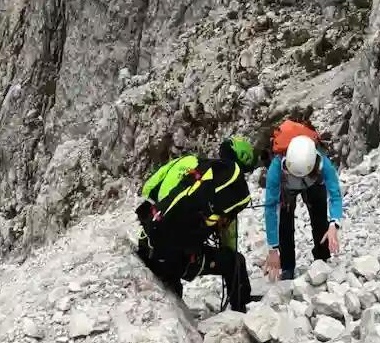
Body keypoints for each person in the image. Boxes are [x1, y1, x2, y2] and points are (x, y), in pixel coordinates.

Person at [136, 136, 255, 311]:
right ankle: (241, 309)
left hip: (149, 237)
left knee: (173, 283)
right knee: (235, 261)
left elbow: (149, 189)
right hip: (173, 251)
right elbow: (228, 235)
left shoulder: (192, 164)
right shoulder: (219, 187)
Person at [262, 120, 344, 281]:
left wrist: (334, 223)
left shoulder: (323, 163)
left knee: (320, 218)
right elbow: (270, 208)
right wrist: (273, 248)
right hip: (288, 188)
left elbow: (335, 194)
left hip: (313, 183)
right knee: (284, 223)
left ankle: (322, 258)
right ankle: (287, 267)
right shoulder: (276, 168)